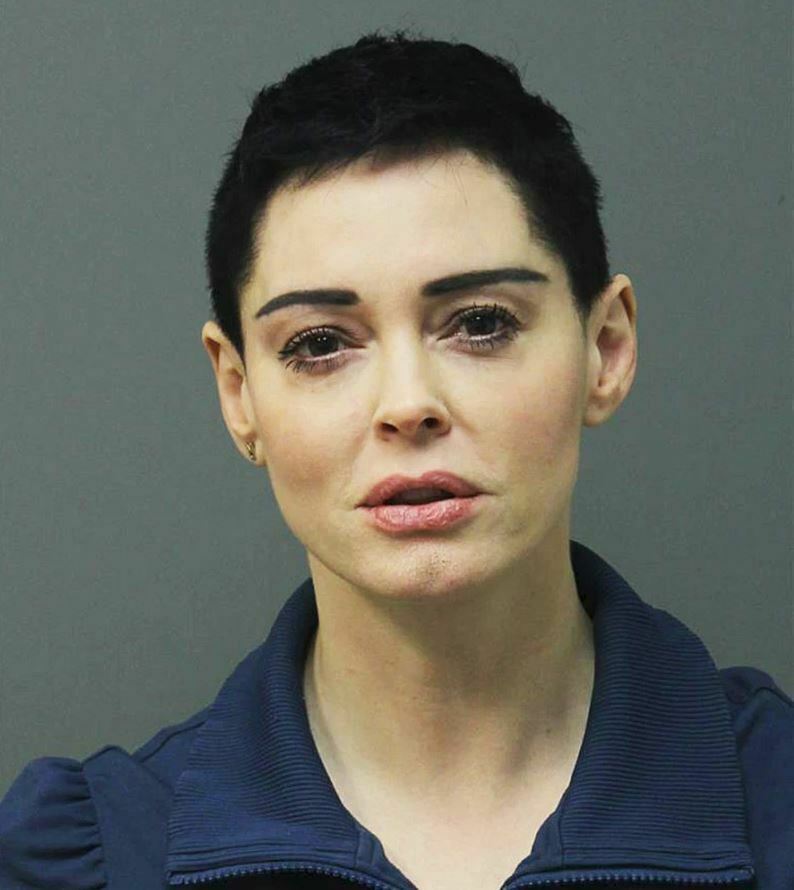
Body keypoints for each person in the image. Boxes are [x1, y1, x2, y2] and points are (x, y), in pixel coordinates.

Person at [1, 27, 791, 890]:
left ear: (605, 348)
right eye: (319, 343)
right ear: (239, 394)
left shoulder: (777, 795)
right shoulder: (88, 856)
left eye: (480, 323)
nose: (407, 403)